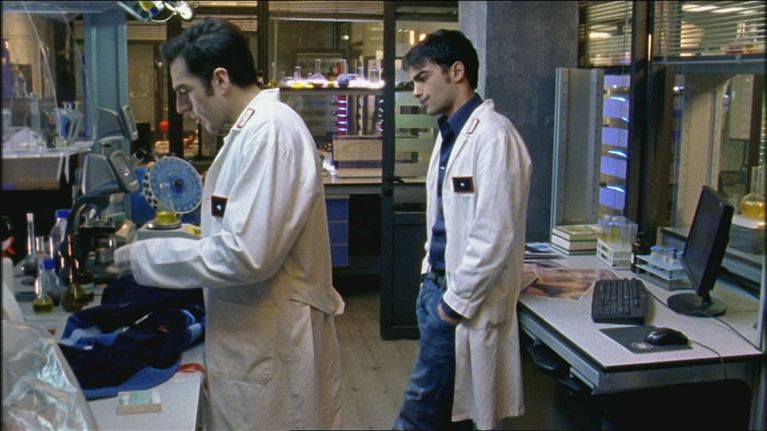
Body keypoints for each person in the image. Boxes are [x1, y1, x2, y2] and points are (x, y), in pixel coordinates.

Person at [114, 18, 345, 430]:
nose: (182, 107)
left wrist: (141, 260)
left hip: (273, 350)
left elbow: (244, 256)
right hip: (253, 342)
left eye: (185, 91)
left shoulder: (270, 132)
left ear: (220, 80)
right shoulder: (250, 132)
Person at [393, 29, 532, 430]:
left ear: (457, 72)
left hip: (456, 305)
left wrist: (451, 308)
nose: (417, 91)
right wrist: (428, 281)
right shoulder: (450, 135)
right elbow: (443, 221)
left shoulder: (494, 137)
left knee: (418, 414)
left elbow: (494, 236)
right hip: (435, 291)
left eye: (423, 78)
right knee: (444, 415)